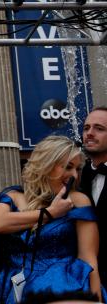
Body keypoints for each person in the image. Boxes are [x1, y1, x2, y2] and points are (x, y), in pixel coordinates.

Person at [0, 135, 105, 303]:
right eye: (68, 167)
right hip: (17, 286)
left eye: (77, 169)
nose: (74, 175)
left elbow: (88, 258)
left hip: (66, 286)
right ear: (46, 165)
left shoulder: (78, 200)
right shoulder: (13, 196)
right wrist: (50, 212)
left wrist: (98, 301)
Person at [79, 106, 107, 286]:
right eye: (86, 128)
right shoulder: (79, 176)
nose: (89, 133)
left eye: (99, 128)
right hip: (88, 277)